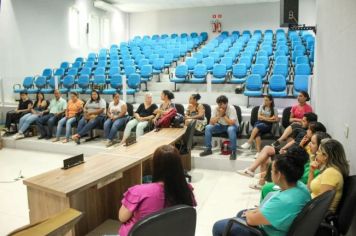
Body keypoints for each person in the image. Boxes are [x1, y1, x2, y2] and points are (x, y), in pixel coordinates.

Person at [212, 153, 310, 236]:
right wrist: (257, 210)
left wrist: (251, 213)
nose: (270, 172)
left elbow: (251, 220)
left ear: (279, 175)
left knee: (218, 226)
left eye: (271, 170)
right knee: (241, 213)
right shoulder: (301, 186)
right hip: (281, 223)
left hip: (266, 233)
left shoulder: (284, 201)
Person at [118, 145, 197, 236]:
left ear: (155, 166)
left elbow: (122, 217)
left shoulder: (138, 192)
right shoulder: (186, 190)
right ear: (179, 166)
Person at [237, 112, 318, 189]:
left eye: (304, 121)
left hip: (293, 154)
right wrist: (284, 148)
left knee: (267, 160)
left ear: (310, 123)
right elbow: (294, 141)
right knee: (266, 149)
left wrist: (288, 152)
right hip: (289, 150)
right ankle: (251, 171)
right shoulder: (304, 132)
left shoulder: (312, 139)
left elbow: (300, 153)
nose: (301, 121)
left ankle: (261, 181)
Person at [260, 131, 331, 201]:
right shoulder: (312, 158)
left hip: (296, 188)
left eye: (312, 143)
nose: (309, 144)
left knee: (267, 187)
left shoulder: (320, 169)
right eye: (310, 141)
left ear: (320, 148)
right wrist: (300, 146)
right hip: (294, 184)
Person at [308, 138, 350, 212]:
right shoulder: (329, 170)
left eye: (318, 151)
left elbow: (321, 203)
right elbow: (310, 189)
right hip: (313, 210)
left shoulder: (331, 173)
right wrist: (311, 171)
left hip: (316, 216)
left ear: (325, 156)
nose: (316, 153)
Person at [199, 95, 239, 160]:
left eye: (221, 104)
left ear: (226, 103)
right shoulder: (216, 108)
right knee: (208, 127)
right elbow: (211, 122)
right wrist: (219, 115)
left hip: (232, 126)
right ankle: (208, 149)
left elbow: (231, 123)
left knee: (230, 129)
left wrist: (223, 115)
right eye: (218, 104)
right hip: (221, 126)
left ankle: (233, 152)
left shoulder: (231, 108)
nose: (219, 106)